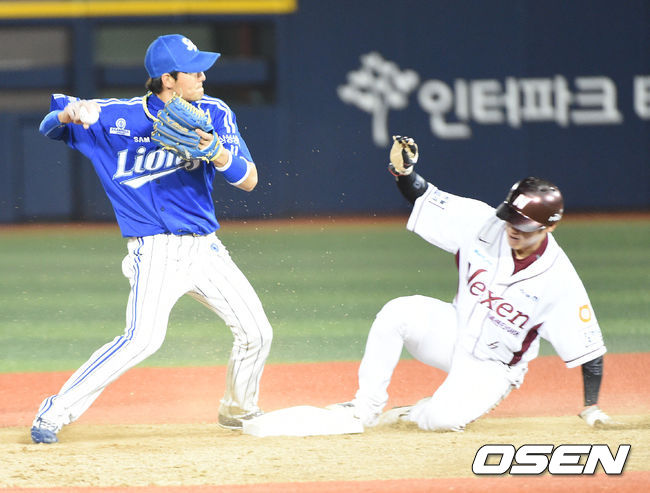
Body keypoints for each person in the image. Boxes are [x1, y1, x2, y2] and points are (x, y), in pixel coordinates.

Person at [31, 34, 273, 443]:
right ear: (167, 79)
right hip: (155, 249)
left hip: (205, 248)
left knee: (257, 332)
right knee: (142, 339)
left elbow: (249, 180)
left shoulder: (214, 112)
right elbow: (48, 127)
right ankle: (54, 412)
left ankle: (238, 409)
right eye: (193, 70)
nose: (203, 75)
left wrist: (217, 152)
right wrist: (68, 114)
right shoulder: (118, 117)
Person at [329, 136, 613, 431]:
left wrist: (591, 406)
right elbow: (425, 197)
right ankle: (365, 408)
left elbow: (589, 348)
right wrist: (404, 172)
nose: (513, 229)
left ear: (550, 226)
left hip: (494, 367)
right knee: (397, 313)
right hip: (455, 331)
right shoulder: (483, 223)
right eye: (511, 219)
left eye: (523, 225)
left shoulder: (559, 279)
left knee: (440, 421)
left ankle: (415, 414)